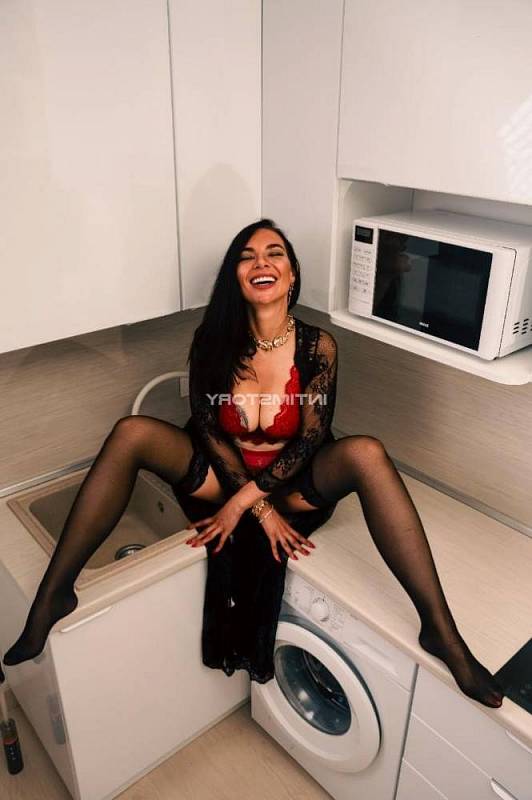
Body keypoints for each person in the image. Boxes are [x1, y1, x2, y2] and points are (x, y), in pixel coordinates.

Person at [2, 219, 504, 710]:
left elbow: (309, 441)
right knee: (131, 432)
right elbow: (209, 433)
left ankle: (441, 631)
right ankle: (54, 595)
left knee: (367, 453)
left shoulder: (318, 347)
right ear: (236, 277)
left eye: (274, 254)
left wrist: (247, 505)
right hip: (223, 478)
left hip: (291, 483)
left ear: (292, 273)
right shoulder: (213, 341)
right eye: (247, 257)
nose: (261, 263)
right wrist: (257, 511)